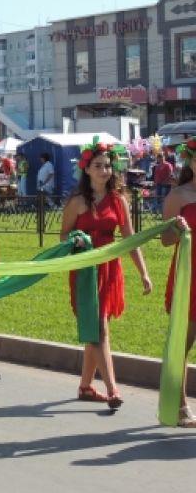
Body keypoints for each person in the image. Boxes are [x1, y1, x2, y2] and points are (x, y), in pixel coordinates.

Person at [60, 142, 150, 408]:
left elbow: (130, 240)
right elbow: (63, 235)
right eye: (98, 165)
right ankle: (113, 389)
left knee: (95, 327)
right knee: (98, 328)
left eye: (108, 165)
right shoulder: (77, 202)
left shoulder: (119, 200)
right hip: (86, 270)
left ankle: (86, 386)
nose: (104, 170)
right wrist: (75, 239)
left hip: (110, 269)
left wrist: (144, 273)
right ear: (86, 169)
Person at [161, 139, 196, 428]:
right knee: (183, 343)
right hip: (190, 274)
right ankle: (180, 403)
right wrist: (179, 229)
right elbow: (165, 240)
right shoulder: (178, 195)